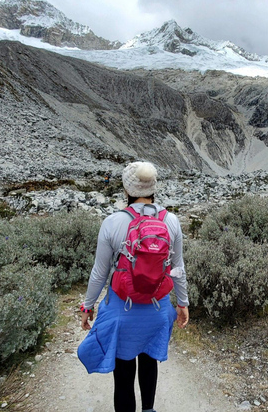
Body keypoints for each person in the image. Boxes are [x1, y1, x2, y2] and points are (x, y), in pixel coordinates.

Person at [78, 161, 189, 412]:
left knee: (124, 376)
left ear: (126, 190)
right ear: (154, 188)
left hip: (122, 312)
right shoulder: (171, 221)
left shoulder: (112, 222)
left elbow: (99, 272)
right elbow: (178, 268)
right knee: (149, 363)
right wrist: (182, 303)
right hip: (157, 310)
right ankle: (149, 409)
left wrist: (88, 306)